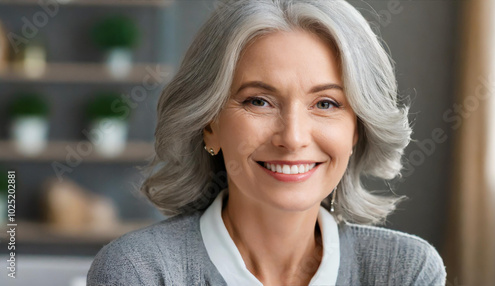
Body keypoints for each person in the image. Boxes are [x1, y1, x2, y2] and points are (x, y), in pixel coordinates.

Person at [87, 0, 447, 285]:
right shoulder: (139, 272)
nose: (292, 138)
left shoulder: (406, 272)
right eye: (258, 101)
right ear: (209, 125)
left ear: (357, 130)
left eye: (325, 104)